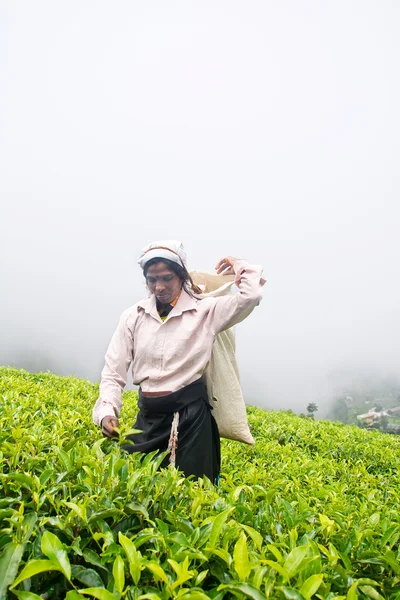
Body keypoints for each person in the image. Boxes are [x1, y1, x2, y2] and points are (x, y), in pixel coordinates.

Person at [93, 240, 264, 482]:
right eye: (152, 279)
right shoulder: (134, 317)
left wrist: (240, 265)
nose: (158, 287)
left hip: (191, 418)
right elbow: (113, 371)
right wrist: (107, 410)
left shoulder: (205, 312)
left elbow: (252, 295)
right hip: (149, 418)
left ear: (181, 276)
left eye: (166, 278)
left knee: (192, 492)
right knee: (136, 486)